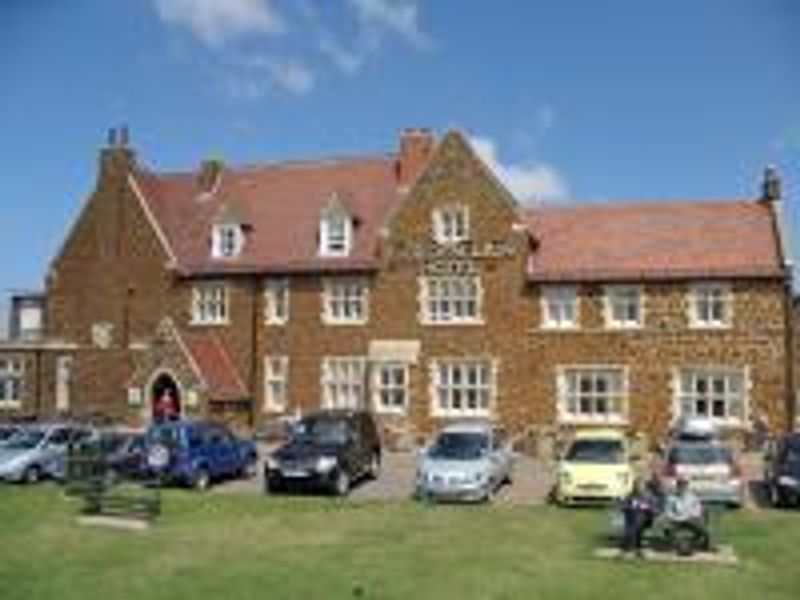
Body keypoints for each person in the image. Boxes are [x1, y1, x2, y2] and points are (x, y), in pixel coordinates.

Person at [664, 477, 709, 551]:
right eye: (680, 486)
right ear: (677, 487)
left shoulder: (693, 497)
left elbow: (697, 510)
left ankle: (705, 544)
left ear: (686, 487)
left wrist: (690, 515)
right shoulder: (671, 498)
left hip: (691, 519)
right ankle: (676, 543)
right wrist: (675, 517)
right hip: (677, 520)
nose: (682, 488)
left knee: (703, 530)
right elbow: (668, 512)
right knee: (668, 528)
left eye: (684, 486)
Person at [620, 477, 655, 556]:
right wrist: (631, 507)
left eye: (640, 486)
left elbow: (654, 509)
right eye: (636, 486)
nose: (638, 488)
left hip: (646, 519)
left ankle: (631, 546)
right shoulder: (630, 496)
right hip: (631, 517)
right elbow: (623, 507)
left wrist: (646, 507)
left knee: (638, 518)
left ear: (644, 487)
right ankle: (636, 546)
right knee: (635, 517)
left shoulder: (649, 496)